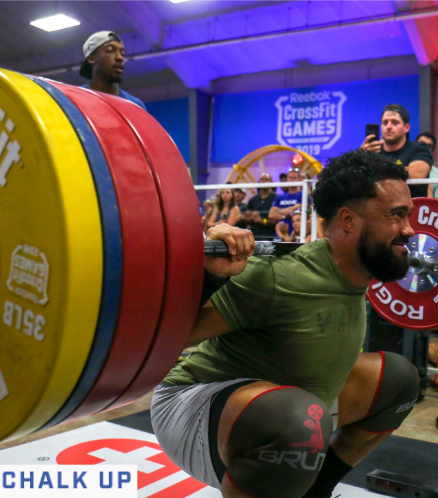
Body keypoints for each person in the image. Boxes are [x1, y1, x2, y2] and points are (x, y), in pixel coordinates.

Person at [151, 149, 420, 498]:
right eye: (396, 215)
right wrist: (210, 277)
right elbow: (167, 340)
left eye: (408, 215)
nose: (409, 229)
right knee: (297, 419)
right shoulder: (282, 277)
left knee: (399, 380)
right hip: (191, 410)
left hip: (289, 408)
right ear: (348, 221)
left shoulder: (355, 274)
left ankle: (316, 491)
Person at [361, 104, 432, 198]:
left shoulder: (419, 148)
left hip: (412, 207)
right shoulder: (371, 151)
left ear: (406, 127)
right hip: (379, 208)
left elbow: (417, 173)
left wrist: (379, 169)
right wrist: (360, 157)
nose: (389, 126)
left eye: (395, 122)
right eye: (385, 122)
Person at [80, 31, 146, 110]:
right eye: (110, 50)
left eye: (122, 53)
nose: (120, 58)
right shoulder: (74, 100)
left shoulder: (135, 105)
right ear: (91, 59)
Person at [267, 169, 304, 237]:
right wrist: (285, 215)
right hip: (278, 234)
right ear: (287, 179)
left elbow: (296, 213)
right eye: (290, 177)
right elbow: (271, 214)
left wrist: (279, 210)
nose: (292, 180)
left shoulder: (303, 195)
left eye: (294, 178)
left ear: (299, 179)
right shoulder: (280, 197)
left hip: (295, 235)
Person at [244, 174, 277, 241]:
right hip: (254, 236)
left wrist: (261, 221)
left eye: (266, 179)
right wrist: (251, 217)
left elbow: (276, 221)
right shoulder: (253, 199)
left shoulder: (276, 198)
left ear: (271, 182)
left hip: (270, 236)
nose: (264, 181)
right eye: (262, 179)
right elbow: (246, 218)